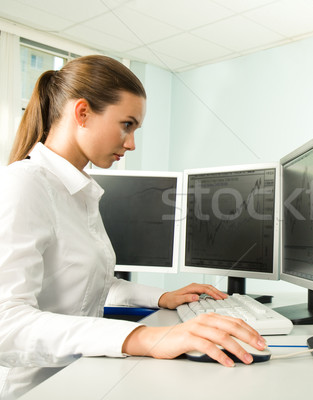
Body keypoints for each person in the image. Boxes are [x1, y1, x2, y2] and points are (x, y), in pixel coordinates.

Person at [0, 55, 266, 399]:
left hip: (83, 374)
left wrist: (163, 297)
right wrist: (144, 338)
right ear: (82, 113)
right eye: (127, 125)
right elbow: (6, 324)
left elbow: (93, 286)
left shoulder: (78, 190)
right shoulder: (25, 184)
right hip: (39, 388)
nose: (131, 143)